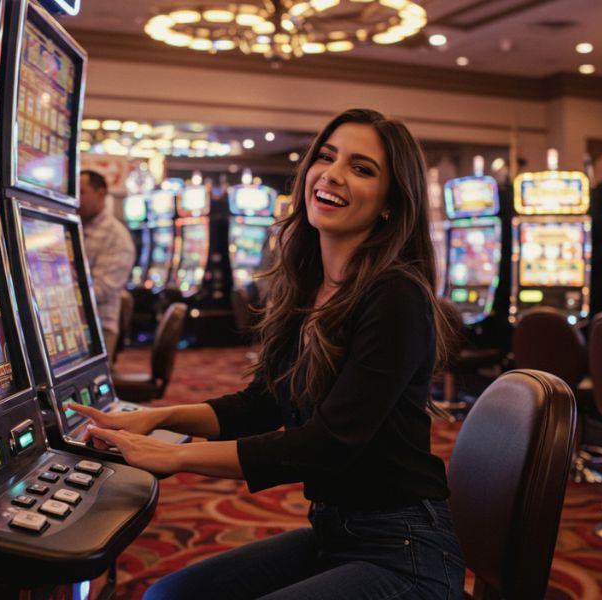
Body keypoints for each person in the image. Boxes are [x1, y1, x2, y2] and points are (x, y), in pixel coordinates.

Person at [68, 109, 465, 599]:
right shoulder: (310, 285)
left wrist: (176, 456)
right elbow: (261, 404)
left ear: (389, 203)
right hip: (334, 533)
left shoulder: (395, 295)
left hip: (404, 550)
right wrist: (155, 419)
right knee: (168, 596)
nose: (333, 174)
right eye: (327, 156)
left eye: (362, 169)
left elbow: (328, 445)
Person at [79, 169, 136, 360]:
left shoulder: (116, 236)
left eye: (81, 192)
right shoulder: (73, 226)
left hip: (99, 327)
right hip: (71, 323)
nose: (76, 198)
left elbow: (103, 290)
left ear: (100, 193)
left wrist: (57, 298)